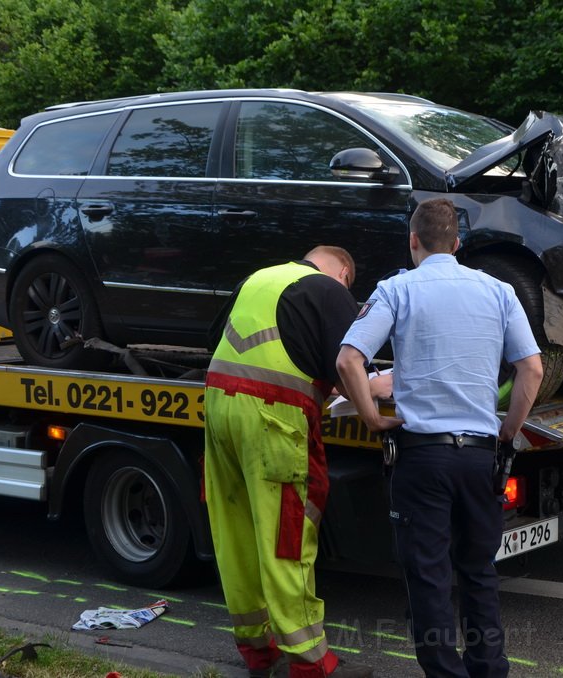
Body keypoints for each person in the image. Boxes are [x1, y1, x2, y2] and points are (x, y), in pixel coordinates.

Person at [336, 198, 544, 677]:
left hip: (422, 457)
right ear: (457, 244)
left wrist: (371, 418)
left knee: (428, 577)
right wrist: (506, 432)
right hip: (478, 457)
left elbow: (349, 360)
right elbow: (531, 368)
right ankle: (489, 669)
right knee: (478, 572)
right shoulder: (498, 291)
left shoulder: (396, 289)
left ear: (413, 241)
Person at [203, 245, 388, 678]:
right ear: (343, 273)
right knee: (287, 536)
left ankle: (258, 652)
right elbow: (348, 365)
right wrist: (374, 398)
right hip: (273, 417)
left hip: (218, 406)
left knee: (236, 534)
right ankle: (311, 663)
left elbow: (215, 340)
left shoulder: (258, 277)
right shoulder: (331, 291)